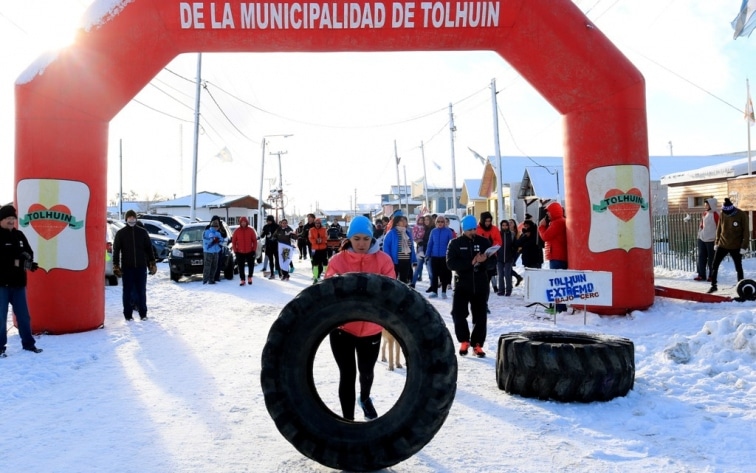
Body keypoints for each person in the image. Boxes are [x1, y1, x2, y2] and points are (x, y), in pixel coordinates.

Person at [325, 215, 396, 421]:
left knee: (366, 372)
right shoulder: (338, 261)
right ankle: (348, 421)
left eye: (366, 239)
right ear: (349, 239)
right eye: (356, 239)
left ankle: (364, 398)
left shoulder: (383, 260)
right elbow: (327, 294)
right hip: (342, 329)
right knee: (347, 375)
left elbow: (392, 291)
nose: (361, 244)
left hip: (371, 328)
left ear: (372, 238)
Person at [446, 215, 492, 358]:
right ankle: (464, 340)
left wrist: (484, 261)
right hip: (462, 284)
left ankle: (477, 344)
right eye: (469, 230)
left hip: (480, 283)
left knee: (480, 315)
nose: (473, 232)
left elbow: (493, 264)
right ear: (463, 229)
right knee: (458, 313)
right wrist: (470, 262)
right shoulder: (454, 243)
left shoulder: (484, 242)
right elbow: (450, 264)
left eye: (474, 229)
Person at [0, 204, 43, 356]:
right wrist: (18, 261)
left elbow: (29, 252)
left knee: (24, 316)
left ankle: (29, 344)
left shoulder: (19, 235)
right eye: (8, 218)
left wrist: (28, 260)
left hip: (18, 284)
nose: (11, 221)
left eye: (13, 218)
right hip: (2, 285)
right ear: (1, 219)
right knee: (1, 318)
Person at [113, 209, 156, 320]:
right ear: (126, 219)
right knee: (127, 291)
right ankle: (128, 315)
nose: (131, 220)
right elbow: (116, 250)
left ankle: (143, 314)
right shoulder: (120, 233)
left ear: (136, 219)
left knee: (141, 290)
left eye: (133, 218)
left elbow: (149, 249)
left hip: (141, 267)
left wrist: (152, 263)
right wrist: (116, 265)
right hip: (127, 268)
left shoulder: (142, 232)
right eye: (129, 218)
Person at [708, 198, 749, 294]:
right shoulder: (723, 213)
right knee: (714, 265)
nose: (725, 213)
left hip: (736, 246)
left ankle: (741, 287)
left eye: (727, 212)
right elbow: (719, 228)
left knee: (738, 267)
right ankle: (713, 286)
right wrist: (717, 242)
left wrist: (744, 246)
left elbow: (746, 232)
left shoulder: (741, 214)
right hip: (722, 244)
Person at [538, 201, 568, 313]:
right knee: (558, 282)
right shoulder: (559, 222)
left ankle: (559, 308)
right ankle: (558, 307)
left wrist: (541, 227)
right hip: (558, 255)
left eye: (549, 212)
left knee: (557, 283)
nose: (548, 215)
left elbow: (545, 236)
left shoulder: (557, 223)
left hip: (557, 256)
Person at [425, 215, 455, 298]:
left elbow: (451, 244)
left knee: (444, 274)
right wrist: (427, 254)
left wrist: (450, 254)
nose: (440, 223)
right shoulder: (433, 231)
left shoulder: (448, 231)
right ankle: (434, 291)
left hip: (444, 256)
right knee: (434, 275)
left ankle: (444, 291)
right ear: (436, 222)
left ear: (445, 223)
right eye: (438, 221)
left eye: (442, 221)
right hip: (434, 256)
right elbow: (430, 243)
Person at [382, 214, 417, 284]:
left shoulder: (407, 233)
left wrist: (414, 260)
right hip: (395, 261)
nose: (404, 221)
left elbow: (411, 247)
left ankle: (402, 294)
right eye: (401, 220)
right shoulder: (391, 233)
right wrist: (388, 259)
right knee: (393, 280)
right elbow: (386, 247)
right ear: (397, 222)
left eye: (404, 220)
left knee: (404, 281)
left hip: (406, 260)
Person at [476, 211, 502, 295]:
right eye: (486, 221)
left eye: (489, 221)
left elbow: (499, 241)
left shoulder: (494, 229)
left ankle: (486, 291)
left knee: (489, 275)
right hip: (479, 257)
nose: (488, 223)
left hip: (491, 256)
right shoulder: (477, 229)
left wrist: (491, 245)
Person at [695, 198, 719, 281]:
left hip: (712, 240)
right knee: (701, 257)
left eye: (707, 204)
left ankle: (711, 276)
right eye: (705, 204)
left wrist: (717, 240)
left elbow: (720, 228)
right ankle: (701, 275)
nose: (705, 206)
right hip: (702, 238)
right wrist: (699, 235)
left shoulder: (716, 215)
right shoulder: (705, 213)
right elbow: (701, 225)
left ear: (712, 205)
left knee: (712, 259)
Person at [232, 216, 258, 286]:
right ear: (240, 223)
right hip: (240, 252)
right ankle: (242, 279)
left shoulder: (251, 230)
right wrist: (235, 250)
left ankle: (250, 277)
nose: (243, 223)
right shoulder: (237, 231)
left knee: (251, 265)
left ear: (247, 222)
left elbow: (255, 241)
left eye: (244, 222)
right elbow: (233, 241)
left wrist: (254, 250)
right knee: (241, 266)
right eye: (242, 222)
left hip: (250, 251)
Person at [496, 219, 517, 296]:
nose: (504, 227)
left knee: (507, 274)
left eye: (506, 225)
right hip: (499, 258)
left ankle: (509, 290)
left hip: (509, 258)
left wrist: (513, 256)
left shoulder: (511, 234)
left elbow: (515, 246)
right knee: (500, 274)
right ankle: (501, 290)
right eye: (503, 225)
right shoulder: (498, 234)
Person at [202, 218, 223, 285]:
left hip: (216, 251)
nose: (217, 228)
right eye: (216, 226)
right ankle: (205, 280)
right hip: (208, 251)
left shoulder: (218, 233)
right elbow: (205, 240)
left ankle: (211, 279)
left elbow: (222, 241)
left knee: (214, 266)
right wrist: (212, 240)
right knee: (207, 266)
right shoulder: (207, 232)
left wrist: (219, 241)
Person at [309, 218, 328, 283]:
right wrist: (316, 241)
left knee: (325, 263)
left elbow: (326, 237)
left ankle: (327, 277)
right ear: (315, 223)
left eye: (319, 223)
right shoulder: (311, 230)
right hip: (315, 249)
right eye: (316, 223)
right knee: (315, 264)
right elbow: (310, 238)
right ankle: (316, 277)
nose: (317, 224)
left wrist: (321, 240)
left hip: (323, 249)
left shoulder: (324, 229)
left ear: (320, 224)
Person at [261, 215, 280, 279]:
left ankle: (280, 273)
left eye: (270, 221)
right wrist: (263, 233)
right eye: (268, 221)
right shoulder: (265, 227)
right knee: (271, 260)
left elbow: (279, 235)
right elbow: (262, 236)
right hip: (268, 246)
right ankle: (272, 273)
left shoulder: (277, 226)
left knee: (277, 259)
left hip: (276, 245)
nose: (268, 222)